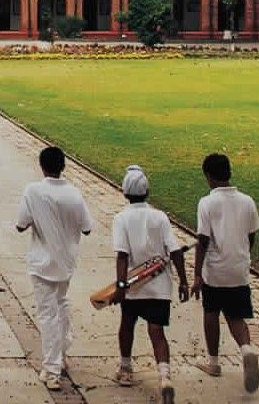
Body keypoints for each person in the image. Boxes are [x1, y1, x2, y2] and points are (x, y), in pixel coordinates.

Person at [110, 165, 189, 404]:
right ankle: (164, 376)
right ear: (148, 191)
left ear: (125, 193)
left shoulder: (122, 218)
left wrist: (121, 286)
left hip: (135, 284)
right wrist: (183, 281)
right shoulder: (160, 216)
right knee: (157, 331)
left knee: (127, 325)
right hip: (160, 285)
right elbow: (175, 251)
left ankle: (125, 369)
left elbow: (122, 255)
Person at [16, 146, 93, 391]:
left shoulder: (33, 191)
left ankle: (51, 369)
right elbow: (87, 227)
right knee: (61, 304)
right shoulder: (74, 194)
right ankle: (62, 351)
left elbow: (21, 224)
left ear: (42, 166)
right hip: (66, 262)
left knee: (48, 314)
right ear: (63, 167)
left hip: (42, 262)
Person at [191, 153, 259, 393]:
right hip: (239, 269)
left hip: (215, 271)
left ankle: (213, 362)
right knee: (236, 316)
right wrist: (242, 255)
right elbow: (251, 235)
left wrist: (197, 275)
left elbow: (202, 241)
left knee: (211, 312)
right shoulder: (247, 201)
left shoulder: (207, 203)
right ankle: (246, 348)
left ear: (209, 177)